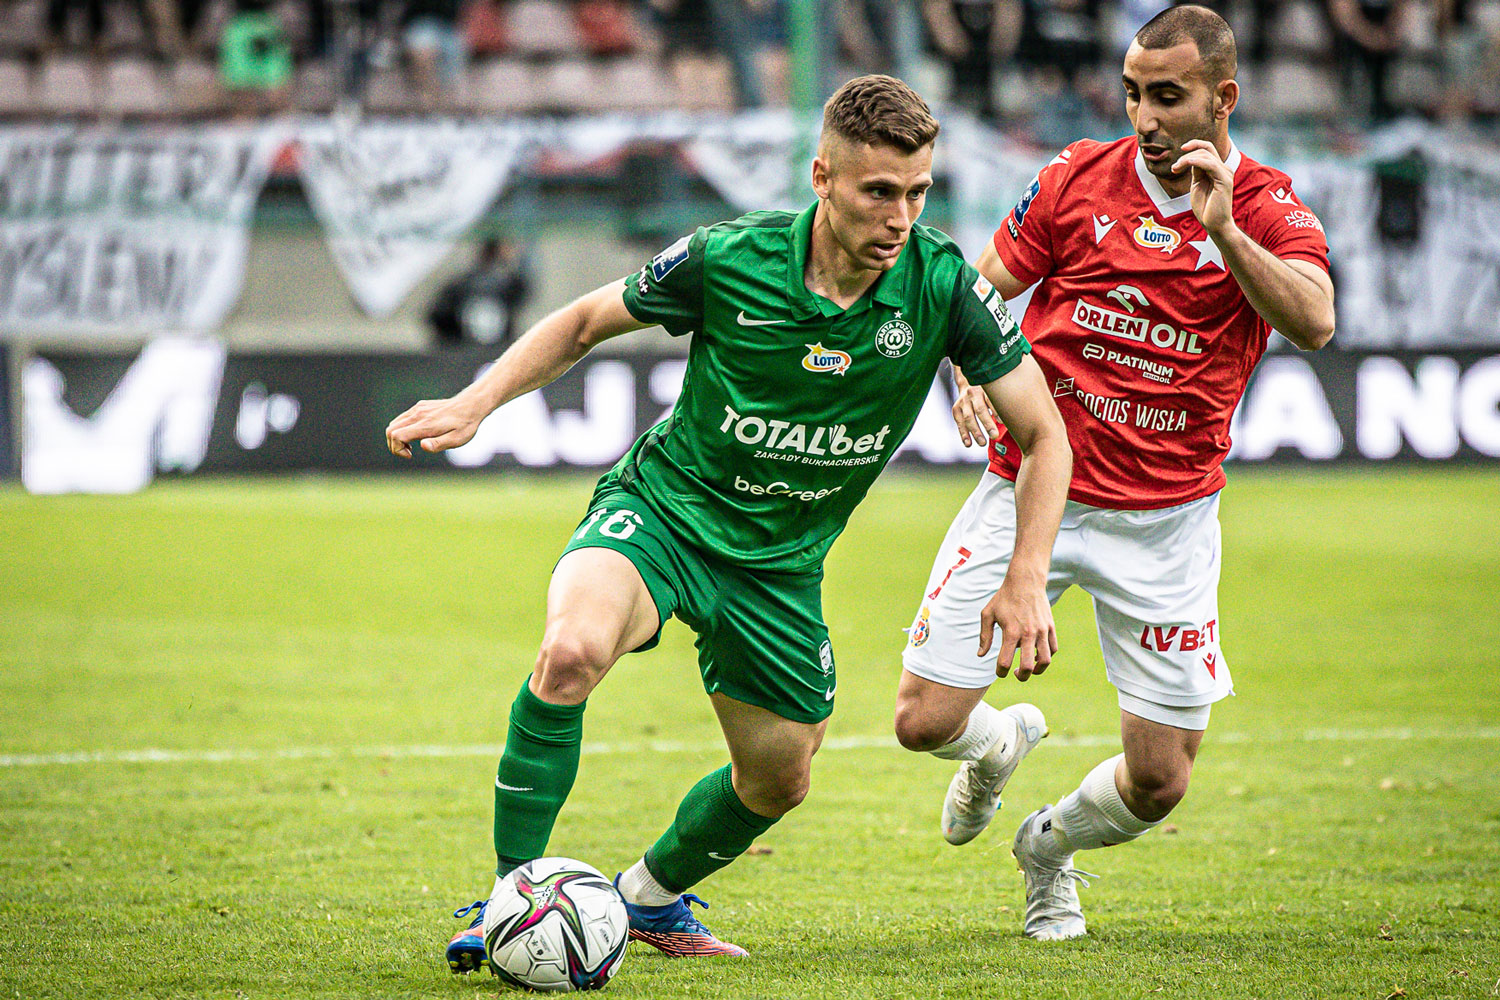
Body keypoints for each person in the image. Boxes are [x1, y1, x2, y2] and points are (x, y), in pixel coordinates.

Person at [384, 74, 1072, 969]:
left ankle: (649, 899)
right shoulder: (728, 258)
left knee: (780, 775)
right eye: (877, 192)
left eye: (916, 192)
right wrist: (478, 403)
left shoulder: (940, 286)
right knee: (570, 654)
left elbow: (1045, 433)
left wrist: (1026, 575)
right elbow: (589, 318)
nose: (899, 216)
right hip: (664, 512)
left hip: (780, 567)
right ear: (822, 177)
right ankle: (514, 901)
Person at [891, 5, 1335, 941]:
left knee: (1162, 780)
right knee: (923, 721)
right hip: (1030, 489)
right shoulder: (1075, 180)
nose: (1145, 118)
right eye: (1134, 93)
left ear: (1225, 97)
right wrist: (969, 368)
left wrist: (1223, 234)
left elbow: (1316, 321)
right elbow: (975, 290)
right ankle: (1002, 740)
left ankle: (1047, 847)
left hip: (1166, 522)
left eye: (1167, 97)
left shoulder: (1265, 208)